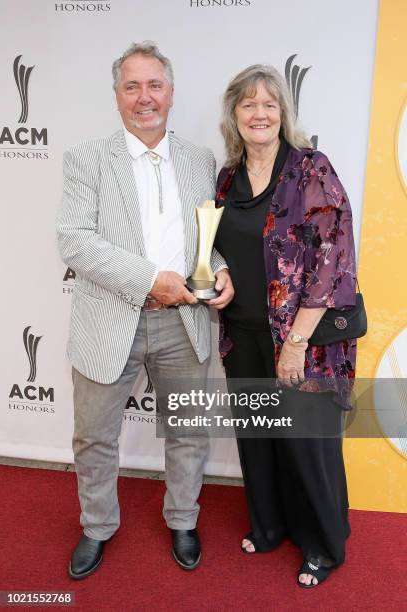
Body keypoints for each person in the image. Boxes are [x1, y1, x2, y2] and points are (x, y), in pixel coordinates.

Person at [56, 41, 234, 579]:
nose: (144, 97)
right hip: (109, 319)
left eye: (154, 85)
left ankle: (183, 518)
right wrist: (150, 281)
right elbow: (75, 242)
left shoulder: (200, 159)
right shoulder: (85, 158)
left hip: (185, 322)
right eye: (131, 86)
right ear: (116, 97)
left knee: (187, 429)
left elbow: (204, 238)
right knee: (94, 435)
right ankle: (97, 527)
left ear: (172, 93)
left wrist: (220, 268)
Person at [213, 64, 357, 587]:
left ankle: (323, 544)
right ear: (234, 114)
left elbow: (332, 258)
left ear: (283, 113)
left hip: (304, 338)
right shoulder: (227, 177)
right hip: (242, 333)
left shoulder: (310, 169)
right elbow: (217, 245)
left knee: (306, 440)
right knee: (258, 437)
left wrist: (295, 342)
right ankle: (270, 526)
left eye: (269, 104)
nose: (259, 113)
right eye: (249, 104)